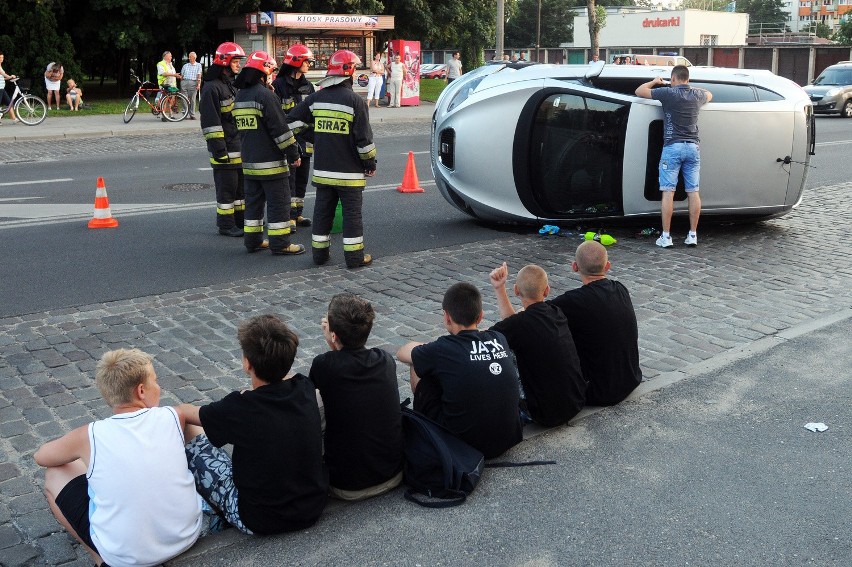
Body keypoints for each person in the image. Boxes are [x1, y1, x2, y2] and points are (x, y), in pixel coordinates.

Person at [34, 349, 203, 567]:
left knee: (55, 474)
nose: (159, 387)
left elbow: (41, 456)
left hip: (125, 558)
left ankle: (99, 558)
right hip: (187, 536)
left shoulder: (89, 435)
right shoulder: (174, 416)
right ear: (141, 390)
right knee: (193, 431)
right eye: (156, 381)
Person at [178, 315, 328, 535]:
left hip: (259, 519)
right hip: (312, 507)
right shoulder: (304, 387)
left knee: (192, 432)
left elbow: (185, 412)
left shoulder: (241, 407)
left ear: (247, 363)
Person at [397, 282, 523, 459]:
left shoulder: (443, 348)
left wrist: (426, 348)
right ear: (480, 317)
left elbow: (402, 353)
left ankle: (428, 431)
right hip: (508, 439)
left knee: (418, 363)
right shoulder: (498, 338)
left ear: (447, 317)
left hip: (466, 447)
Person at [309, 293, 404, 501]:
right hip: (394, 474)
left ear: (334, 335)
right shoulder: (384, 359)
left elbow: (333, 371)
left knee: (315, 405)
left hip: (347, 486)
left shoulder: (323, 364)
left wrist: (332, 344)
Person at [288, 49, 376, 269]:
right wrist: (370, 163)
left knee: (322, 214)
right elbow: (363, 141)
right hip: (349, 175)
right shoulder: (356, 101)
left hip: (324, 173)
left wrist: (315, 136)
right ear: (348, 71)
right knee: (352, 216)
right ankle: (355, 258)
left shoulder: (316, 98)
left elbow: (290, 123)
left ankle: (320, 255)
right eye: (354, 68)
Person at [489, 263, 587, 427]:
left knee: (503, 353)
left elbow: (508, 327)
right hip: (577, 401)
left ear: (516, 291)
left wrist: (499, 288)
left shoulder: (520, 324)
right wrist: (500, 289)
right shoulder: (556, 311)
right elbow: (514, 323)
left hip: (545, 414)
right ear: (547, 290)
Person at [548, 241, 642, 406]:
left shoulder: (570, 301)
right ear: (607, 266)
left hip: (598, 392)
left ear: (575, 266)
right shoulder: (620, 288)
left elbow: (534, 313)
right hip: (631, 379)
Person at [232, 50, 304, 256]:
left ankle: (253, 241)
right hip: (272, 165)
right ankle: (280, 243)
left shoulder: (240, 96)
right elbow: (280, 131)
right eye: (271, 71)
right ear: (263, 72)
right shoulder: (266, 96)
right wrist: (293, 154)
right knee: (279, 203)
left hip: (250, 164)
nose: (272, 75)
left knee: (253, 204)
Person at [635, 65, 713, 248]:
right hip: (693, 148)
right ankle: (692, 235)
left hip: (672, 147)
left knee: (668, 191)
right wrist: (691, 88)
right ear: (687, 79)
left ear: (674, 79)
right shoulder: (697, 95)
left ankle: (666, 236)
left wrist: (655, 82)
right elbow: (709, 94)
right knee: (693, 191)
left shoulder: (668, 94)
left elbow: (639, 91)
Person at [200, 42, 246, 238]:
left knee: (240, 191)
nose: (238, 65)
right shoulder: (211, 88)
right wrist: (219, 150)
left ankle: (240, 221)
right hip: (224, 150)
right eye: (235, 61)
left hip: (238, 147)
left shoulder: (231, 85)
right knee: (227, 191)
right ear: (225, 62)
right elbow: (211, 123)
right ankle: (226, 225)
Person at [272, 43, 316, 232]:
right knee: (288, 180)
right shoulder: (278, 86)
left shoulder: (308, 86)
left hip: (305, 141)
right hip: (288, 140)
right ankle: (288, 216)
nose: (309, 65)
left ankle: (297, 213)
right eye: (307, 61)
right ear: (296, 62)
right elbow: (276, 116)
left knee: (301, 180)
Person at [156, 51, 181, 121]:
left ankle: (171, 114)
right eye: (170, 56)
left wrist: (177, 75)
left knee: (171, 100)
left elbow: (173, 74)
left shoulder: (171, 64)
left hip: (172, 84)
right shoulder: (160, 64)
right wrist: (174, 75)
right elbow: (163, 73)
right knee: (165, 100)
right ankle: (163, 116)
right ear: (166, 56)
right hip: (165, 84)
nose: (171, 57)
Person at [180, 51, 203, 120]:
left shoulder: (198, 65)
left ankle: (192, 114)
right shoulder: (185, 65)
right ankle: (185, 113)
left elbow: (199, 76)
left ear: (194, 58)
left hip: (193, 82)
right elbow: (182, 76)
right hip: (184, 82)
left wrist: (199, 84)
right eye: (189, 57)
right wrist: (181, 82)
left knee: (192, 99)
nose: (189, 58)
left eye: (191, 57)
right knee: (184, 98)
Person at [0, 51, 18, 122]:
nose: (1, 59)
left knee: (9, 102)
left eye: (2, 57)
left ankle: (14, 119)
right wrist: (10, 76)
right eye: (0, 58)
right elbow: (1, 73)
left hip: (2, 88)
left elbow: (2, 77)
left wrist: (10, 77)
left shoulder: (0, 65)